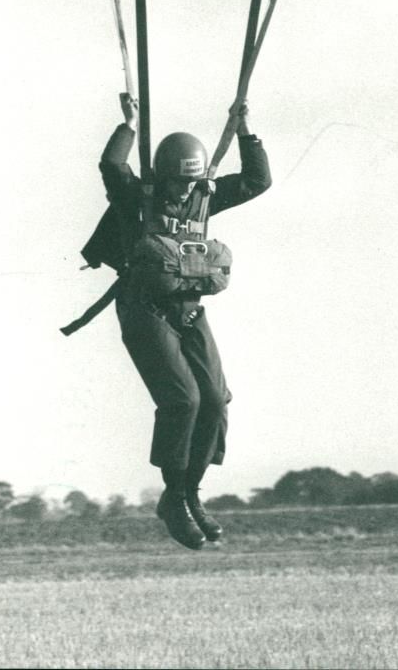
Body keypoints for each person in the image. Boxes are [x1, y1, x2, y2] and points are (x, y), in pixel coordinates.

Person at [98, 92, 272, 549]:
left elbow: (258, 181)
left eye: (188, 184)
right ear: (164, 176)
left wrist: (245, 131)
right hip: (144, 312)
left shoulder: (203, 198)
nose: (181, 191)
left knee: (214, 400)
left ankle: (189, 493)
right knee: (184, 401)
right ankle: (173, 498)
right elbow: (112, 168)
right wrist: (128, 126)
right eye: (176, 183)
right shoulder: (136, 199)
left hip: (189, 312)